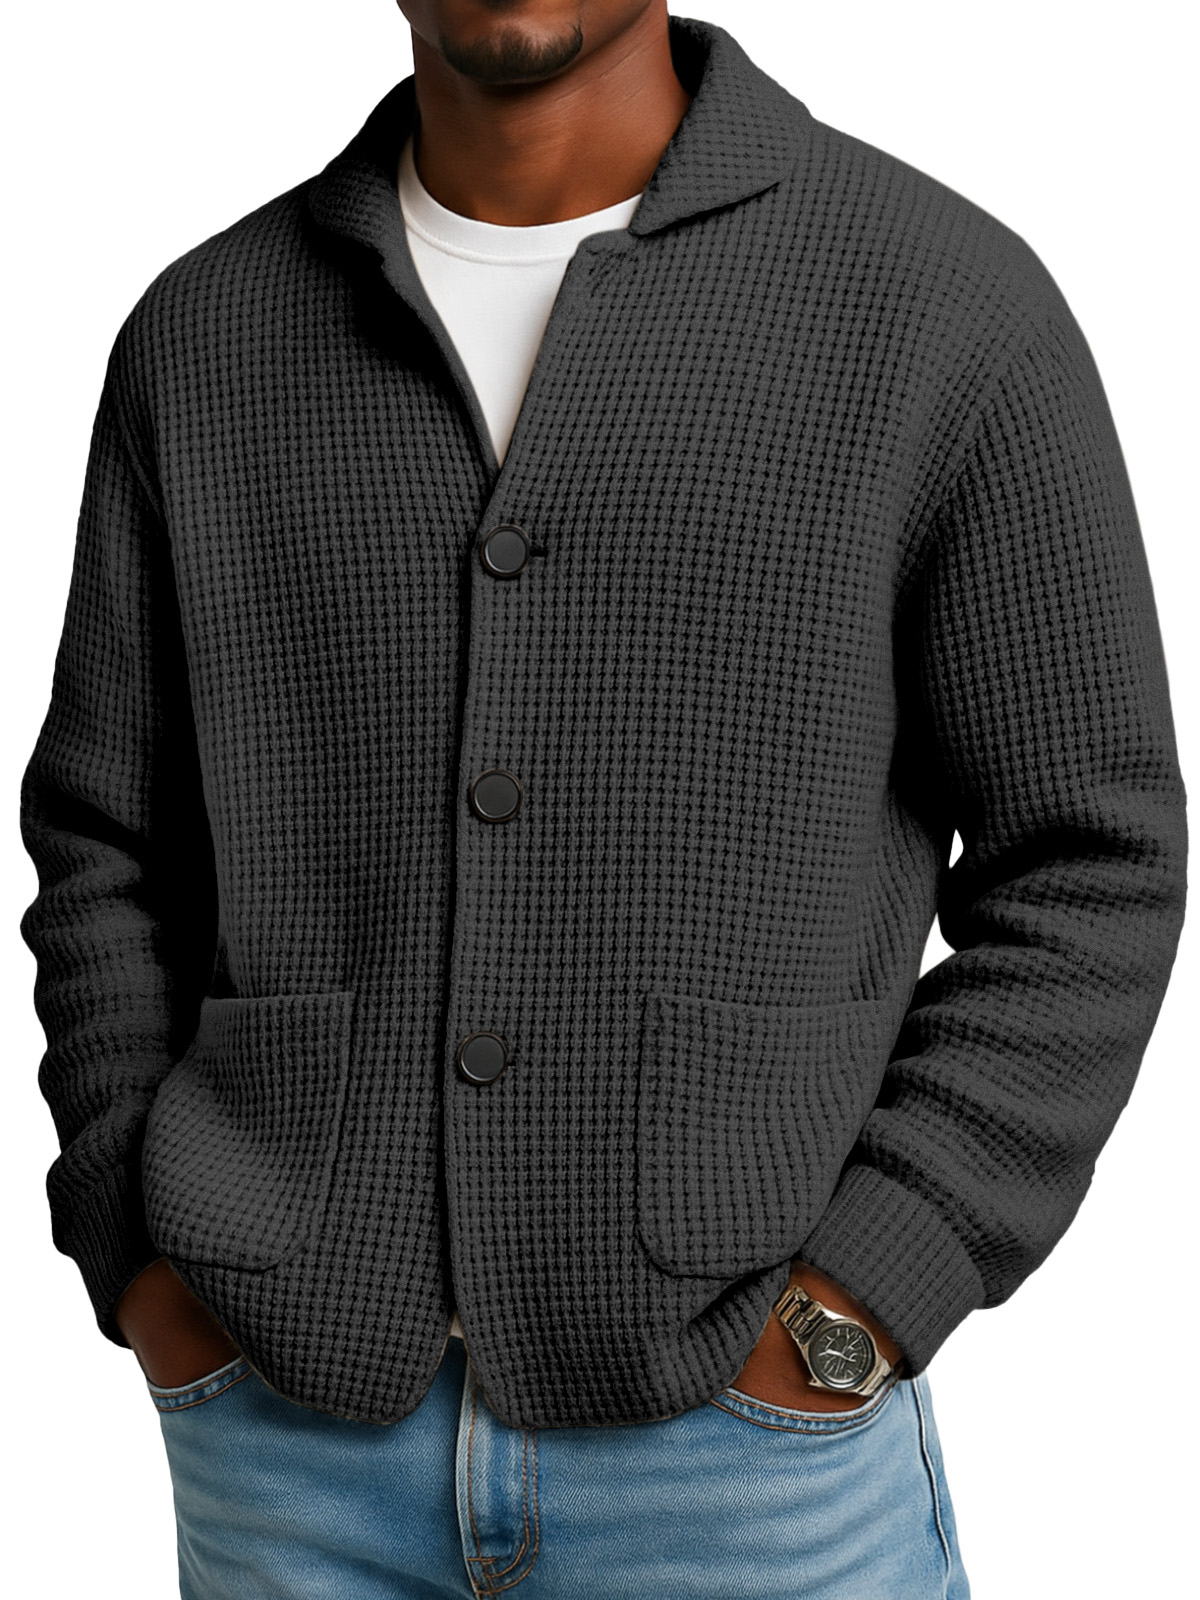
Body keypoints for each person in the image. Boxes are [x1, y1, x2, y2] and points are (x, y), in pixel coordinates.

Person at [18, 3, 1187, 1597]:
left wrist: (870, 1290)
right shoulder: (206, 334)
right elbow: (105, 840)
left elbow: (1091, 859)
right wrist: (140, 1258)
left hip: (749, 1465)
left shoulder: (938, 302)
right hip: (287, 1450)